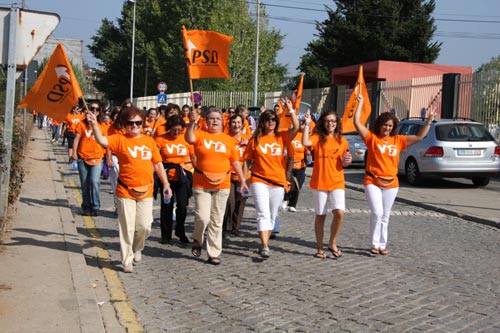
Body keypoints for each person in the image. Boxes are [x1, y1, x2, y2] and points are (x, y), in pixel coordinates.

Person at [86, 105, 172, 273]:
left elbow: (158, 164)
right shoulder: (119, 139)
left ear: (143, 123)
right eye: (130, 123)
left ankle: (137, 248)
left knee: (145, 226)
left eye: (138, 123)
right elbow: (102, 141)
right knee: (127, 227)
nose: (134, 126)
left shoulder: (149, 141)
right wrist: (95, 125)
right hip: (125, 190)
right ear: (124, 124)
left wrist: (166, 183)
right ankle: (126, 259)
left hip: (146, 190)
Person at [354, 94, 434, 255]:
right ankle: (374, 244)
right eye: (384, 125)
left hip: (391, 183)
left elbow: (419, 136)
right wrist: (360, 104)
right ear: (379, 125)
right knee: (377, 212)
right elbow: (357, 123)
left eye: (390, 126)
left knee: (385, 215)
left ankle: (382, 245)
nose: (387, 128)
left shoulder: (398, 140)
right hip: (372, 180)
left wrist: (429, 121)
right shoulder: (372, 138)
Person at [185, 106, 249, 265]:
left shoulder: (228, 139)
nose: (214, 121)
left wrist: (242, 181)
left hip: (223, 184)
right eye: (211, 118)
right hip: (201, 183)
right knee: (202, 217)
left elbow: (235, 161)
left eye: (217, 118)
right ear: (206, 122)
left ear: (222, 121)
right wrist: (192, 122)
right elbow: (189, 138)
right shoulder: (200, 134)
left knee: (217, 220)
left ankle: (213, 252)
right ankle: (197, 239)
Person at [243, 98, 299, 258]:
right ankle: (265, 245)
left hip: (278, 182)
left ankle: (264, 241)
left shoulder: (282, 137)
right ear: (262, 122)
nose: (271, 122)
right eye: (268, 119)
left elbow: (296, 127)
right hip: (259, 180)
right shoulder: (255, 140)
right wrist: (243, 180)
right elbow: (247, 161)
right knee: (263, 213)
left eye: (274, 119)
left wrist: (291, 109)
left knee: (273, 214)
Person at [302, 110, 352, 259]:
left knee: (339, 213)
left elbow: (345, 160)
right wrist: (306, 124)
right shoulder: (318, 138)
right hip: (320, 182)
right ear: (323, 123)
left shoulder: (342, 140)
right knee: (321, 215)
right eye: (328, 121)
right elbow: (305, 142)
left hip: (337, 181)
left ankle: (332, 242)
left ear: (337, 124)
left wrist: (347, 161)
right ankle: (319, 247)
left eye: (333, 121)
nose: (331, 124)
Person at [155, 115, 195, 244]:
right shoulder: (161, 139)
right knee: (167, 205)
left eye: (179, 130)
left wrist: (199, 171)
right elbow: (155, 158)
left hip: (182, 176)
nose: (176, 133)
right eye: (173, 130)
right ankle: (166, 235)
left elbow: (193, 156)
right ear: (168, 129)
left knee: (182, 205)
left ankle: (180, 230)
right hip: (167, 176)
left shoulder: (185, 139)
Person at [71, 102, 106, 216]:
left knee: (95, 182)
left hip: (97, 157)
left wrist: (107, 155)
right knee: (85, 184)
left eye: (97, 109)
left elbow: (107, 142)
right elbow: (76, 139)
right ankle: (86, 206)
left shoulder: (103, 125)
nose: (94, 111)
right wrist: (74, 153)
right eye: (92, 108)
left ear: (100, 111)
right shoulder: (81, 124)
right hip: (83, 157)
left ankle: (95, 206)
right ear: (87, 110)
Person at [222, 113, 250, 238]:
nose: (236, 125)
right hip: (228, 174)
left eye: (239, 122)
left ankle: (236, 227)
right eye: (233, 122)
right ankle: (227, 227)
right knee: (229, 201)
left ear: (243, 125)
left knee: (241, 201)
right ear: (229, 125)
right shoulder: (226, 139)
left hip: (244, 175)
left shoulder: (248, 139)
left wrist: (248, 144)